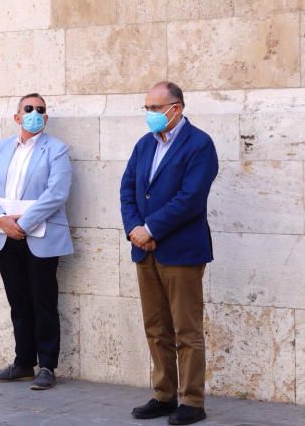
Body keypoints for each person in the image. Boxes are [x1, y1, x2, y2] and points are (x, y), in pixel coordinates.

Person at [121, 82, 218, 425]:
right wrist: (135, 229)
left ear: (175, 109)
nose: (149, 115)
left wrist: (152, 229)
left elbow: (190, 198)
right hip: (144, 251)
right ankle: (164, 395)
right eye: (146, 108)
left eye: (155, 108)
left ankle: (192, 401)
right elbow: (127, 189)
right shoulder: (144, 145)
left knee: (186, 330)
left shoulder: (199, 145)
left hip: (181, 252)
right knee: (156, 326)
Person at [0, 93, 73, 390]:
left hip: (40, 236)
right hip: (5, 236)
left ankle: (47, 366)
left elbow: (56, 194)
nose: (35, 113)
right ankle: (22, 363)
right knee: (18, 302)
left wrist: (23, 223)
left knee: (43, 301)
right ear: (17, 116)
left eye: (40, 110)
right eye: (28, 109)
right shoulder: (1, 148)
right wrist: (1, 221)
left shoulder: (56, 150)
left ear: (46, 118)